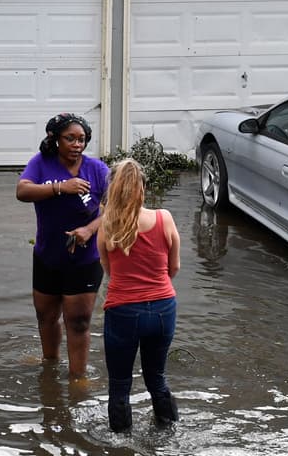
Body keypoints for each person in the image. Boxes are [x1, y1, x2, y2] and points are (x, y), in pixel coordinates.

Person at [16, 113, 110, 381]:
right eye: (70, 138)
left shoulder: (97, 169)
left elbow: (115, 209)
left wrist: (89, 230)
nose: (77, 144)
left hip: (86, 258)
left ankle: (78, 378)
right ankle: (50, 365)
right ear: (55, 139)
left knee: (78, 321)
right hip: (48, 256)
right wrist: (61, 187)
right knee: (46, 316)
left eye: (81, 139)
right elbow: (22, 191)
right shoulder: (41, 164)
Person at [98, 157, 181, 432]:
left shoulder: (107, 225)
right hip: (163, 309)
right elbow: (174, 267)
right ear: (142, 188)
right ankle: (169, 432)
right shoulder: (164, 218)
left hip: (123, 310)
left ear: (114, 189)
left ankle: (120, 444)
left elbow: (109, 271)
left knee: (120, 384)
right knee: (157, 378)